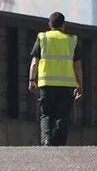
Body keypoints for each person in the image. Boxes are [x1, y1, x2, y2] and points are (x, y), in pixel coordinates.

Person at [28, 12, 83, 146]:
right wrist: (80, 85)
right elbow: (77, 66)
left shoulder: (42, 37)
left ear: (49, 24)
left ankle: (46, 139)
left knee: (46, 114)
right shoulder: (72, 39)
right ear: (63, 25)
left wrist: (31, 80)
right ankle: (59, 143)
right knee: (62, 116)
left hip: (46, 83)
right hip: (66, 85)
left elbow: (35, 62)